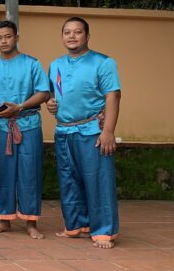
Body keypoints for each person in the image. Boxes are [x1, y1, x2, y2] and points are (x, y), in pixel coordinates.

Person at [47, 17, 121, 249]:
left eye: (77, 32)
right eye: (67, 32)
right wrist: (51, 104)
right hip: (63, 130)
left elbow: (113, 96)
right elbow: (54, 95)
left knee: (98, 181)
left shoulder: (103, 62)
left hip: (92, 131)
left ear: (87, 36)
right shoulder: (55, 65)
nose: (72, 36)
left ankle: (104, 231)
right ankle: (76, 225)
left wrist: (108, 131)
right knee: (69, 180)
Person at [0, 20, 49, 239]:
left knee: (30, 172)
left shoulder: (32, 64)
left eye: (8, 36)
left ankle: (31, 222)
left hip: (28, 125)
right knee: (4, 172)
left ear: (16, 37)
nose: (3, 41)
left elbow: (44, 93)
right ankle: (5, 219)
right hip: (1, 126)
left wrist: (19, 106)